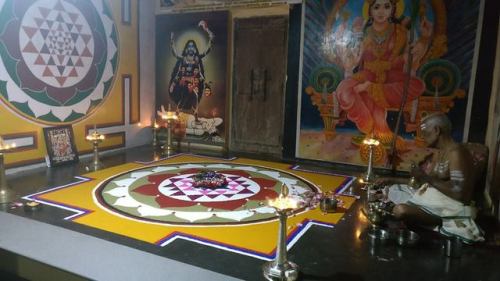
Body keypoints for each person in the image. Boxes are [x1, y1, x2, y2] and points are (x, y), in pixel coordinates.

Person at [336, 0, 431, 150]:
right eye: (376, 7)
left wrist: (424, 38)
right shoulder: (362, 32)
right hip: (366, 75)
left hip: (392, 75)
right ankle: (371, 127)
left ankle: (370, 89)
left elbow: (411, 58)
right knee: (342, 89)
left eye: (386, 6)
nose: (381, 11)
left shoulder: (401, 31)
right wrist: (342, 39)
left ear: (393, 9)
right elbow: (353, 60)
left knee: (417, 85)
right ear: (370, 10)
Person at [378, 112, 484, 242]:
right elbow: (425, 184)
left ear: (436, 130)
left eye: (424, 132)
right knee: (389, 191)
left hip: (449, 210)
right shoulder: (440, 154)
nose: (422, 137)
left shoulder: (456, 153)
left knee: (400, 210)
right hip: (432, 201)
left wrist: (424, 177)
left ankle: (439, 222)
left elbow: (460, 194)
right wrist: (390, 180)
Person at [169, 20, 214, 113]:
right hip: (184, 82)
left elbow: (208, 49)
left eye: (192, 46)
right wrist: (173, 84)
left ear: (195, 48)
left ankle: (195, 116)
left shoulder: (197, 58)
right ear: (186, 48)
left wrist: (207, 31)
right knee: (184, 96)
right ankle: (178, 112)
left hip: (195, 82)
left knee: (195, 96)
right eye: (189, 46)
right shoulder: (183, 59)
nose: (190, 48)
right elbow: (175, 57)